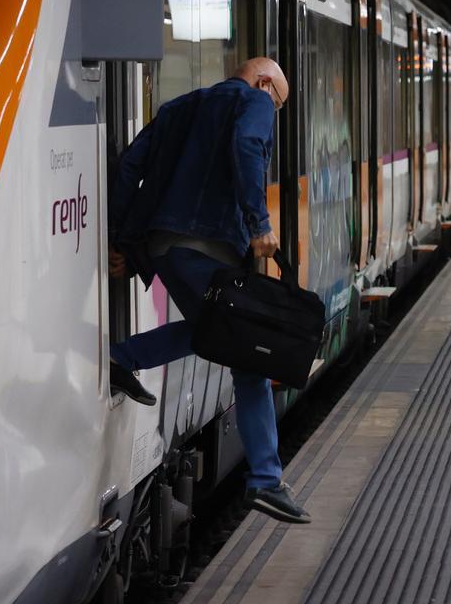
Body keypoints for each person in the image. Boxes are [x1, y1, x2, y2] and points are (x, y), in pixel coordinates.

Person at [107, 57, 311, 524]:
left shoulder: (180, 106)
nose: (271, 109)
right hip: (208, 247)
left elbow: (130, 166)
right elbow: (247, 143)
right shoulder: (254, 101)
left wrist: (120, 241)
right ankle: (265, 481)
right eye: (276, 102)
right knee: (250, 357)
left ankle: (123, 358)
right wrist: (259, 224)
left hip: (164, 248)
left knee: (212, 332)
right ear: (263, 83)